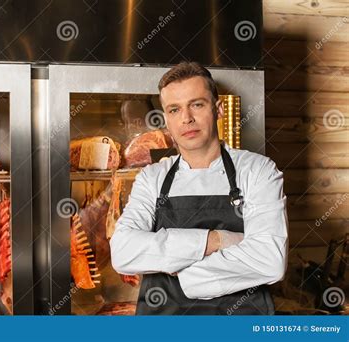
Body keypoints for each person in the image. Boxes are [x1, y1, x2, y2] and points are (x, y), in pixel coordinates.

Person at [110, 61, 288, 315]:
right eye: (174, 110)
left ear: (218, 110)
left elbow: (270, 260)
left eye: (197, 104)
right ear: (167, 120)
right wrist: (217, 240)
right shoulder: (152, 177)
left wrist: (180, 272)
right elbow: (123, 253)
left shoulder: (258, 171)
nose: (186, 118)